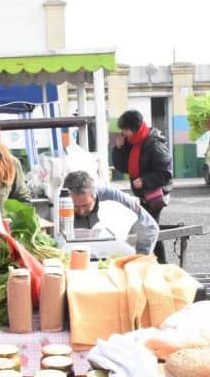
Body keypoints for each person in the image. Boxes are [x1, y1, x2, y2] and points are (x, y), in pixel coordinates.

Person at [111, 109, 173, 263]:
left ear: (135, 128)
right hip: (142, 195)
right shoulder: (132, 143)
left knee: (150, 229)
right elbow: (123, 166)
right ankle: (156, 264)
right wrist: (118, 149)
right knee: (150, 229)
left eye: (126, 130)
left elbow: (166, 174)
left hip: (155, 196)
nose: (124, 133)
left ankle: (159, 264)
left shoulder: (154, 144)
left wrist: (145, 181)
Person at [62, 170, 159, 256]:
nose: (81, 211)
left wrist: (141, 258)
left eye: (85, 205)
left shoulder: (113, 196)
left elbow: (149, 227)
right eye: (74, 206)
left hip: (109, 256)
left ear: (95, 196)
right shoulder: (58, 202)